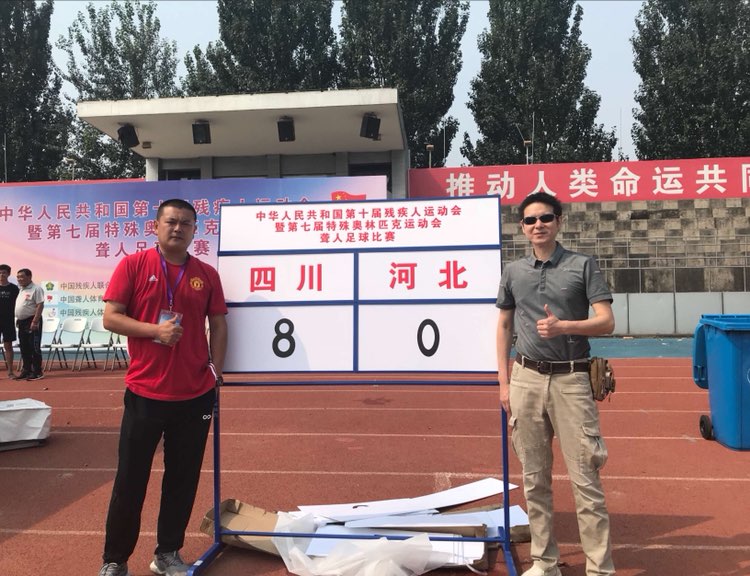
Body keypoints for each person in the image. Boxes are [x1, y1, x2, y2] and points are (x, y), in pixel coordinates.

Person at [98, 199, 228, 576]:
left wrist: (216, 372)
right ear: (155, 226)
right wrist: (155, 330)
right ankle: (115, 559)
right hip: (145, 392)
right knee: (130, 480)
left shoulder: (206, 274)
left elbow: (219, 324)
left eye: (186, 223)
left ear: (195, 230)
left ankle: (168, 553)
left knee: (182, 480)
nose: (178, 228)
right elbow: (111, 318)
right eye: (171, 221)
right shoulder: (133, 265)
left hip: (195, 394)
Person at [496, 192, 616, 576]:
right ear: (522, 227)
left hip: (572, 378)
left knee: (586, 479)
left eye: (546, 218)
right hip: (525, 378)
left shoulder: (582, 265)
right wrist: (504, 382)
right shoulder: (514, 272)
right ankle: (544, 563)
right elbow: (504, 326)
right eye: (530, 220)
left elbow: (607, 321)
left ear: (559, 221)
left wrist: (564, 326)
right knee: (534, 480)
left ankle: (599, 569)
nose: (538, 225)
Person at [14, 268, 45, 381]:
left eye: (22, 277)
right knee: (24, 347)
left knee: (34, 347)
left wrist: (35, 321)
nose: (19, 279)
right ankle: (26, 370)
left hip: (32, 321)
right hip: (22, 322)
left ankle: (37, 371)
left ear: (29, 277)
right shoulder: (21, 289)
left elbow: (40, 305)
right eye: (18, 277)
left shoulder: (36, 289)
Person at [0, 264, 20, 378]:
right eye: (0, 272)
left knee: (8, 346)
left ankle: (10, 372)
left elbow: (19, 304)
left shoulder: (14, 288)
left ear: (8, 274)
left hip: (8, 321)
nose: (1, 275)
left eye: (4, 272)